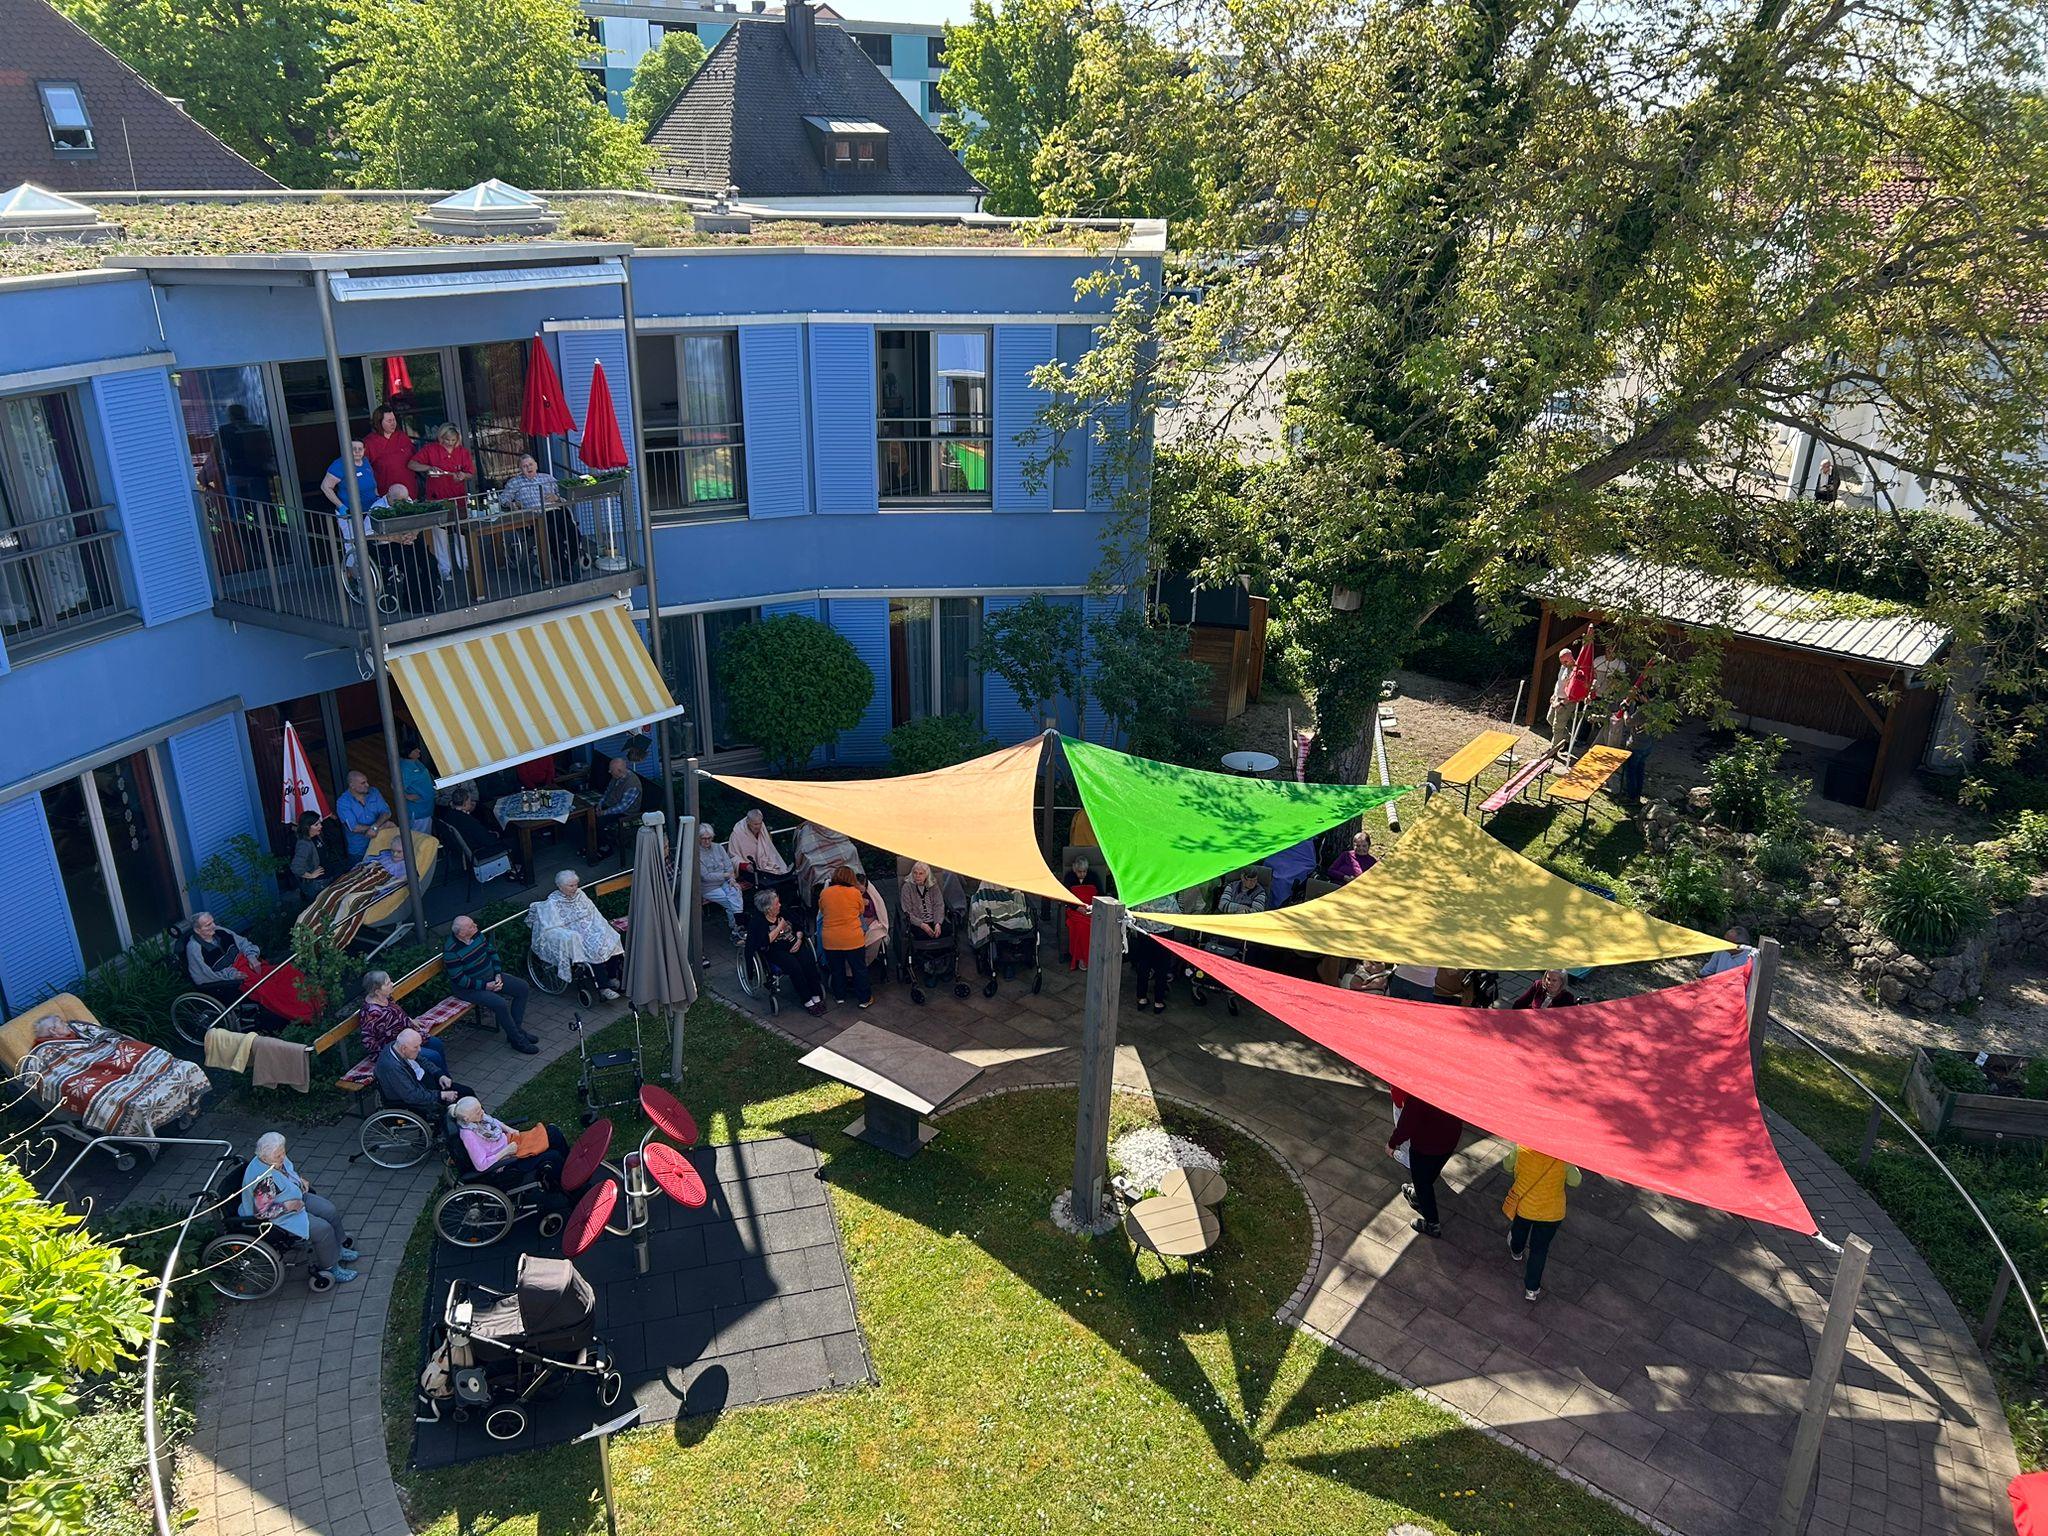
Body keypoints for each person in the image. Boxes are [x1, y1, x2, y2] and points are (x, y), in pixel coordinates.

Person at [239, 1132, 358, 1285]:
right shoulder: (263, 1181)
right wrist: (288, 1206)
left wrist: (300, 1181)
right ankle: (331, 1267)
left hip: (294, 1196)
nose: (282, 1157)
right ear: (264, 1157)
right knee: (322, 1229)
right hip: (279, 1214)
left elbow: (288, 1173)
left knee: (329, 1210)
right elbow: (262, 1213)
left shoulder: (274, 1158)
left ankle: (339, 1247)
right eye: (278, 1156)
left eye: (283, 1152)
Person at [443, 914, 537, 1053]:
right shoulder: (451, 951)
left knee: (522, 988)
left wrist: (498, 973)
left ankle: (516, 1031)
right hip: (470, 989)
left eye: (473, 923)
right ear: (461, 933)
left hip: (491, 977)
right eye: (471, 926)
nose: (476, 926)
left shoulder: (477, 935)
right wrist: (486, 986)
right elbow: (459, 979)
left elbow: (492, 952)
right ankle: (517, 1040)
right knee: (500, 1004)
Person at [1503, 1143, 1578, 1302]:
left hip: (1524, 1207)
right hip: (1551, 1213)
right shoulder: (1563, 1157)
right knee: (1539, 1249)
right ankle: (1531, 1289)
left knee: (1519, 1230)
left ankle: (1516, 1251)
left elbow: (1507, 1165)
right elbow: (1575, 1181)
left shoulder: (1521, 1148)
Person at [1388, 1091, 1464, 1238]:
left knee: (1422, 1182)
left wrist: (1392, 1143)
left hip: (1425, 1146)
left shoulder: (1419, 1094)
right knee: (1432, 1172)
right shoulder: (1453, 1089)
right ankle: (1416, 1195)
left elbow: (1406, 1124)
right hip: (1449, 1141)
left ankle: (1432, 1224)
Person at [539, 870, 625, 999]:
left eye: (576, 884)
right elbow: (552, 926)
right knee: (594, 949)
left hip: (591, 928)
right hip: (573, 935)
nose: (575, 888)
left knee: (612, 939)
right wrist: (573, 934)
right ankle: (603, 987)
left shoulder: (580, 894)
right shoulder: (552, 903)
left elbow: (594, 913)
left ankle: (612, 977)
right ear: (560, 886)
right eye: (571, 886)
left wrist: (602, 927)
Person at [451, 1096, 569, 1189]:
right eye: (478, 1112)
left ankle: (571, 1164)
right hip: (506, 1161)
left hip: (510, 1141)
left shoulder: (479, 1118)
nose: (482, 1112)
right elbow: (481, 1165)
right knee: (553, 1156)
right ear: (466, 1119)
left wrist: (510, 1129)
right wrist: (506, 1151)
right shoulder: (469, 1136)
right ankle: (566, 1182)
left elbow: (495, 1122)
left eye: (481, 1108)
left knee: (553, 1132)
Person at [746, 889, 825, 1015]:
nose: (780, 905)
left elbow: (798, 925)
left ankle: (816, 994)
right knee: (795, 967)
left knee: (808, 961)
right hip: (776, 950)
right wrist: (779, 927)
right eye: (776, 904)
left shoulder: (783, 912)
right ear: (768, 909)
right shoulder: (758, 921)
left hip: (794, 942)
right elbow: (764, 942)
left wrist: (799, 938)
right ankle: (807, 1000)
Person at [358, 970, 449, 1076]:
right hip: (398, 1047)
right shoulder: (372, 1012)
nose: (392, 984)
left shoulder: (386, 997)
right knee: (433, 1056)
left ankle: (445, 1078)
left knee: (437, 1044)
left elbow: (395, 1014)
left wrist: (409, 1020)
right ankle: (440, 1081)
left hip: (408, 1036)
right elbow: (368, 1040)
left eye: (390, 981)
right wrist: (386, 1055)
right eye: (387, 983)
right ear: (377, 991)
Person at [373, 1027, 468, 1119]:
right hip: (417, 1098)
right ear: (403, 1048)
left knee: (466, 1092)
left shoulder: (396, 1046)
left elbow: (423, 1060)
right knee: (464, 1098)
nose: (419, 1049)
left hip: (423, 1083)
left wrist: (439, 1074)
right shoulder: (393, 1068)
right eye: (416, 1047)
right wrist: (441, 1095)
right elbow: (412, 1096)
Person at [439, 785, 524, 884]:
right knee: (514, 840)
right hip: (479, 851)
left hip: (466, 848)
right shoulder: (467, 821)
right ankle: (516, 868)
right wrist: (495, 834)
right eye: (470, 801)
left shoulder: (449, 816)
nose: (471, 802)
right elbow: (488, 840)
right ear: (465, 803)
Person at [818, 865, 872, 1008]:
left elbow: (822, 910)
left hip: (831, 940)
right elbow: (861, 910)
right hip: (852, 939)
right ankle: (864, 999)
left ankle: (840, 996)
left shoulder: (825, 893)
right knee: (859, 969)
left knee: (836, 969)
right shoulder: (855, 893)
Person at [184, 910, 260, 1010]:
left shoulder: (220, 931)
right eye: (208, 925)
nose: (214, 926)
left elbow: (242, 942)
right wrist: (231, 975)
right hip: (233, 979)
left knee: (275, 975)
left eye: (213, 922)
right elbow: (201, 977)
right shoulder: (194, 948)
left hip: (247, 963)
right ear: (198, 930)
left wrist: (252, 957)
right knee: (265, 988)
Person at [1128, 893, 1180, 1013]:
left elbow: (1134, 913)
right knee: (1162, 968)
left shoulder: (1143, 895)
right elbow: (1177, 914)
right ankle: (1158, 1002)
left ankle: (1141, 998)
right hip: (1165, 934)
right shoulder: (1168, 897)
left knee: (1143, 965)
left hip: (1144, 933)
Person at [411, 422, 475, 507]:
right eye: (447, 440)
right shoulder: (430, 449)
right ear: (441, 437)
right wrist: (429, 468)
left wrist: (463, 475)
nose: (450, 443)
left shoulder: (463, 452)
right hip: (436, 497)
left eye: (453, 440)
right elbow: (412, 464)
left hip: (457, 496)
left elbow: (470, 474)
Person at [697, 824, 745, 931]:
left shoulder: (718, 847)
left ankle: (737, 926)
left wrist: (732, 879)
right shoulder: (697, 853)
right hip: (708, 887)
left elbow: (729, 865)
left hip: (725, 881)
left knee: (736, 891)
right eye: (704, 839)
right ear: (698, 838)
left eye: (709, 838)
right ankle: (737, 927)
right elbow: (706, 876)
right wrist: (725, 875)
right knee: (731, 902)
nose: (707, 841)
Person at [336, 770, 393, 860]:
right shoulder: (343, 802)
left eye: (367, 781)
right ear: (352, 786)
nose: (367, 785)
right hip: (360, 850)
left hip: (382, 845)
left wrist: (375, 827)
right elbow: (354, 827)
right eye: (363, 783)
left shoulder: (374, 792)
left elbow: (386, 812)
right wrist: (379, 827)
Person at [363, 405, 418, 498]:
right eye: (389, 421)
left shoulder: (402, 437)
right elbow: (363, 469)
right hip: (386, 494)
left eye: (394, 420)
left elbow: (415, 458)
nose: (393, 424)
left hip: (409, 491)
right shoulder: (369, 442)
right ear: (379, 423)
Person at [320, 439, 378, 521]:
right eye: (353, 449)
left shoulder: (365, 461)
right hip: (350, 514)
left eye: (360, 449)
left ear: (364, 450)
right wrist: (341, 506)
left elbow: (372, 482)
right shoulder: (339, 464)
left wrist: (377, 497)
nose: (357, 451)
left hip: (370, 512)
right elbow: (325, 487)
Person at [595, 757, 643, 853]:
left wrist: (604, 812)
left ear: (619, 770)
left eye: (611, 770)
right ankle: (593, 843)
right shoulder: (616, 776)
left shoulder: (632, 784)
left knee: (599, 820)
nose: (609, 772)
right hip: (612, 805)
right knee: (589, 814)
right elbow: (608, 791)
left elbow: (622, 807)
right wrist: (600, 803)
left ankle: (605, 847)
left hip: (626, 813)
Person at [1063, 856, 1097, 970]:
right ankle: (1082, 958)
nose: (1082, 874)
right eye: (1079, 872)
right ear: (1074, 870)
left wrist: (1092, 907)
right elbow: (1065, 896)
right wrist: (1077, 908)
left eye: (1084, 872)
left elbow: (1101, 894)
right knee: (1080, 927)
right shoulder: (1069, 877)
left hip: (1090, 909)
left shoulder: (1093, 876)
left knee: (1093, 925)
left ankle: (1092, 957)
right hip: (1075, 910)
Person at [903, 861, 950, 943]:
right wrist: (922, 925)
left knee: (947, 931)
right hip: (917, 923)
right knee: (923, 937)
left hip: (934, 919)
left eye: (921, 873)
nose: (917, 876)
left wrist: (938, 923)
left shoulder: (933, 886)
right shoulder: (907, 887)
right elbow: (907, 911)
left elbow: (939, 905)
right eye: (915, 873)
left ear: (926, 875)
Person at [289, 812, 331, 902]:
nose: (320, 826)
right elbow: (295, 867)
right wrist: (311, 875)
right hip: (317, 884)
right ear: (307, 827)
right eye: (316, 825)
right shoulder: (304, 845)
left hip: (326, 878)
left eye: (320, 823)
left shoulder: (316, 836)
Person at [399, 738, 436, 833]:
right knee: (420, 837)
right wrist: (407, 796)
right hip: (419, 812)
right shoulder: (405, 769)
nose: (419, 751)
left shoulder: (415, 761)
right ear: (408, 753)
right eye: (415, 750)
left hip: (426, 807)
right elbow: (395, 786)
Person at [1546, 647, 1578, 739]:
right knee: (1550, 718)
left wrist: (1562, 703)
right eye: (1562, 662)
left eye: (1566, 661)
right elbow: (1559, 681)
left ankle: (1554, 747)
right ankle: (1568, 738)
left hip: (1567, 701)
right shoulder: (1563, 666)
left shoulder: (1576, 670)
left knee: (1557, 727)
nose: (1564, 664)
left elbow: (1575, 691)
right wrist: (1554, 694)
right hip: (1557, 698)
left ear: (1571, 657)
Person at [1510, 969, 1580, 1009]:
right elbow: (1520, 1003)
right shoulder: (1538, 985)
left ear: (1561, 982)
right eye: (1548, 979)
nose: (1549, 983)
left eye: (1554, 980)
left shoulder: (1567, 998)